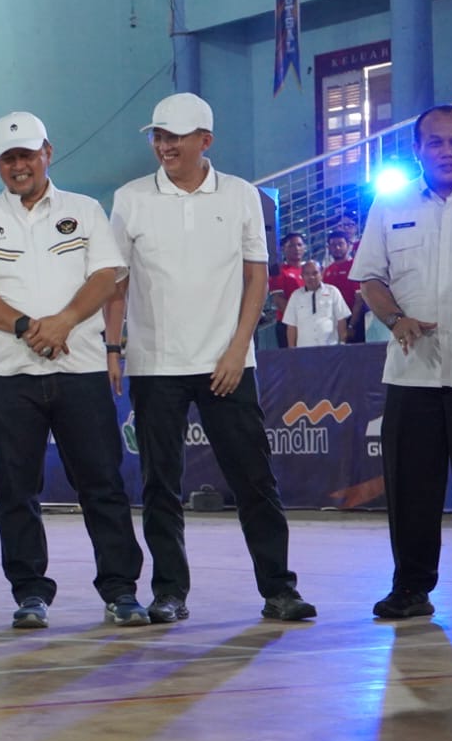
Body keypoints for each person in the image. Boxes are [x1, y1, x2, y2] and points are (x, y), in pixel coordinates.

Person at [106, 92, 315, 624]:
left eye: (175, 136)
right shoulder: (130, 198)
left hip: (228, 365)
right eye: (158, 136)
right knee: (159, 485)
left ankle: (279, 589)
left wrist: (238, 348)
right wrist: (113, 347)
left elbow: (256, 278)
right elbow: (116, 282)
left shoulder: (242, 195)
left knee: (254, 480)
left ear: (206, 140)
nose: (164, 146)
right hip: (155, 367)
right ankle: (169, 593)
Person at [0, 112, 148, 629]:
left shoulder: (84, 211)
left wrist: (63, 322)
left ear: (47, 153)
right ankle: (30, 592)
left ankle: (121, 589)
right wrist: (26, 327)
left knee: (102, 483)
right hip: (7, 375)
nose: (19, 166)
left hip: (79, 369)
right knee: (16, 489)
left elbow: (106, 276)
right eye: (9, 158)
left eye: (28, 155)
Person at [349, 103, 452, 621]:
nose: (448, 151)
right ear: (417, 150)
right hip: (412, 373)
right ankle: (412, 588)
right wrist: (396, 320)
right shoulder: (390, 202)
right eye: (436, 142)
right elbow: (370, 278)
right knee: (411, 489)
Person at [282, 263, 350, 347]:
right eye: (307, 274)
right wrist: (292, 350)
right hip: (304, 349)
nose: (311, 277)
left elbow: (341, 319)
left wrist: (342, 344)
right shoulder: (295, 296)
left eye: (315, 273)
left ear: (321, 274)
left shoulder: (333, 292)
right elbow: (291, 325)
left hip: (330, 347)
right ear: (302, 276)